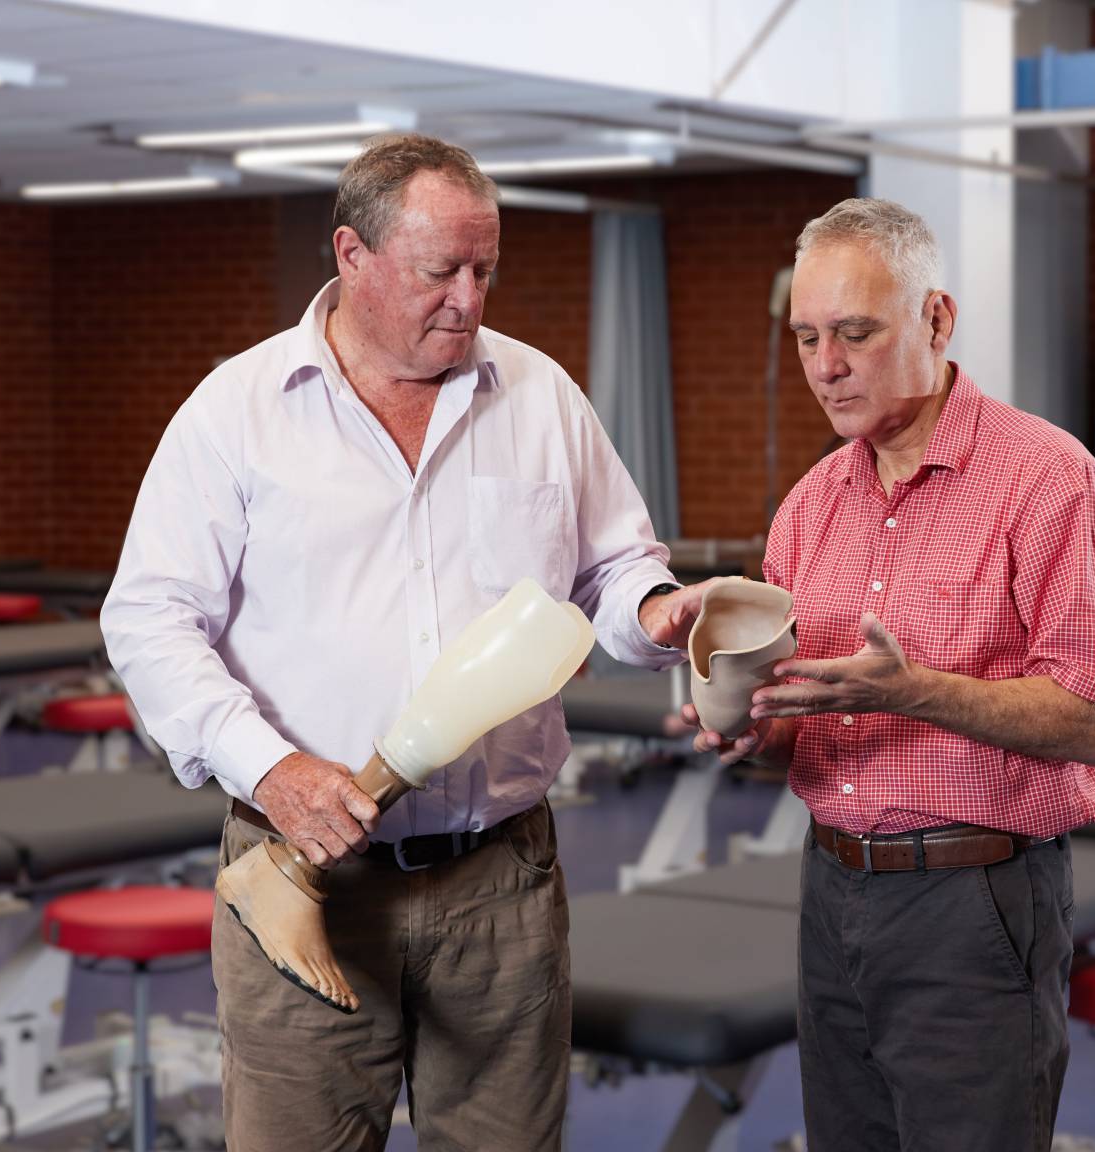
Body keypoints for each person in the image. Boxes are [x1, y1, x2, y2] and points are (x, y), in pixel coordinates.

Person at [102, 133, 703, 1152]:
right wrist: (272, 768)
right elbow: (149, 618)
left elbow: (614, 568)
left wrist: (656, 613)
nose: (468, 300)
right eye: (440, 272)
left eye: (485, 271)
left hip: (500, 882)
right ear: (353, 254)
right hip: (303, 876)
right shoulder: (237, 413)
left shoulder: (541, 396)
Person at [686, 197, 1095, 1151]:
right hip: (832, 889)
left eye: (855, 333)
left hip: (976, 900)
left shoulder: (1047, 480)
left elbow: (1090, 718)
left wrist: (912, 691)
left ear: (936, 319)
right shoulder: (810, 506)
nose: (826, 366)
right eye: (806, 338)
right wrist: (749, 728)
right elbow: (797, 734)